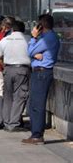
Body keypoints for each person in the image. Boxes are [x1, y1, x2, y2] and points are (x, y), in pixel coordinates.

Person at [22, 14, 60, 145]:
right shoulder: (44, 38)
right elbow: (32, 54)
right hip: (38, 72)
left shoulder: (47, 38)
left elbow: (29, 52)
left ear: (41, 25)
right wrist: (34, 54)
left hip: (42, 73)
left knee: (37, 104)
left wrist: (33, 38)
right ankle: (35, 132)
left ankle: (37, 135)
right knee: (33, 103)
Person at [0, 20, 30, 132]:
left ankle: (6, 122)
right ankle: (14, 123)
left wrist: (4, 65)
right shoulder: (28, 40)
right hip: (22, 69)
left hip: (8, 70)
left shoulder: (4, 40)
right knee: (19, 97)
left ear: (12, 29)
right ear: (23, 30)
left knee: (7, 96)